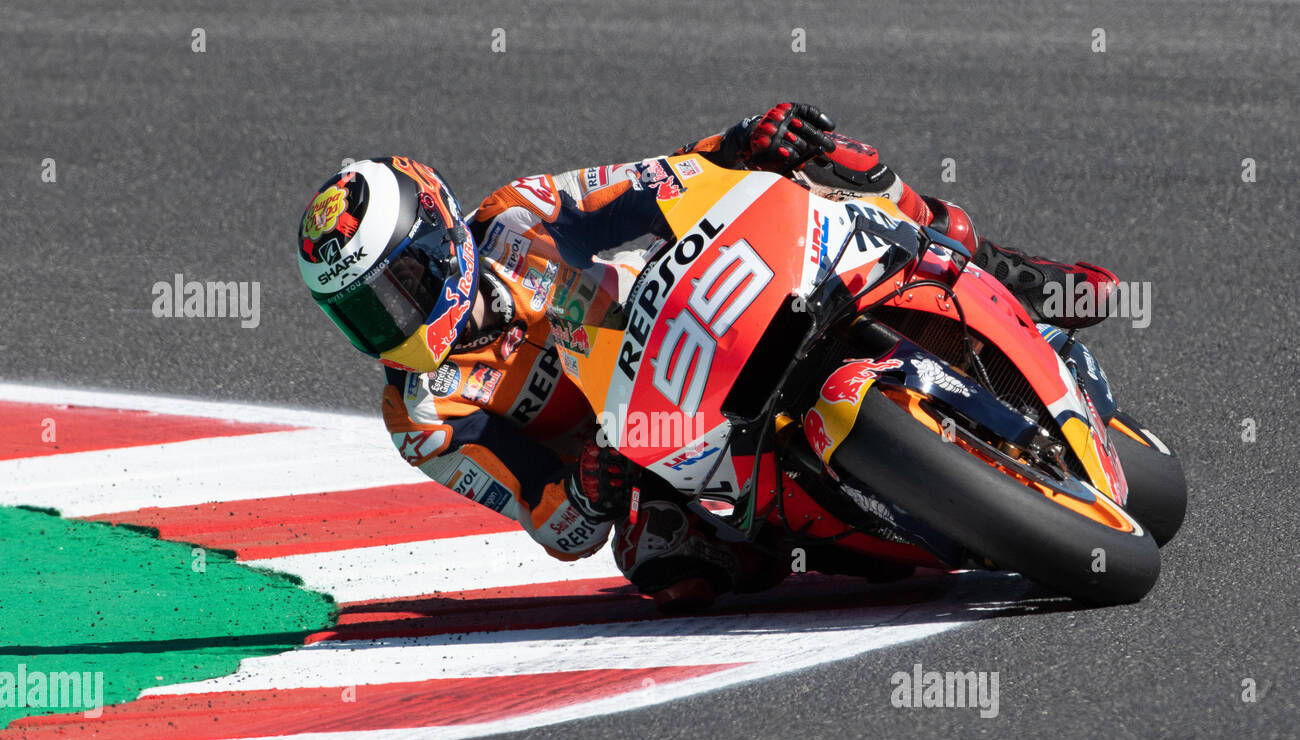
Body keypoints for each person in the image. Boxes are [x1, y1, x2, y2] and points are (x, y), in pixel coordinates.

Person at [295, 103, 1119, 608]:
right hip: (654, 441)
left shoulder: (518, 218)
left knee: (828, 153)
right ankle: (865, 527)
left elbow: (653, 183)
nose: (391, 318)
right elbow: (557, 527)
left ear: (439, 239)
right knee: (664, 563)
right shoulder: (423, 416)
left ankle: (1008, 273)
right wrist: (590, 486)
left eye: (396, 286)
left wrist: (743, 139)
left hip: (701, 302)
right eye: (363, 310)